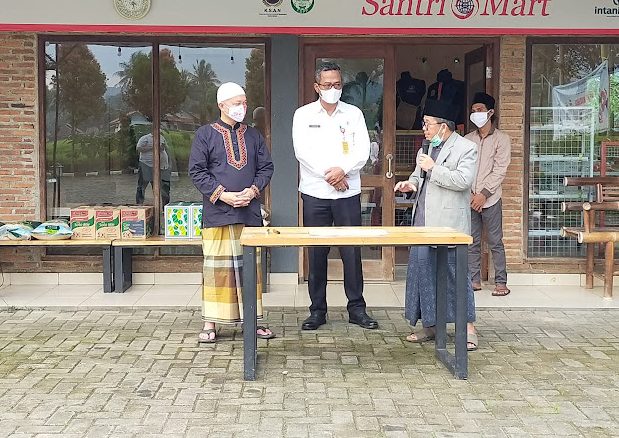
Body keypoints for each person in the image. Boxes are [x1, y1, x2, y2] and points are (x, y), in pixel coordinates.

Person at [292, 61, 377, 331]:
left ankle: (357, 309)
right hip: (315, 193)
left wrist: (343, 171)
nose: (333, 89)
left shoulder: (353, 114)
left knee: (351, 251)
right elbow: (302, 152)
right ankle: (317, 310)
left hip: (348, 194)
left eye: (337, 84)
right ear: (317, 86)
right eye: (327, 85)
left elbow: (362, 150)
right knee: (317, 253)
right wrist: (330, 176)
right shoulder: (303, 115)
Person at [189, 82, 275, 343]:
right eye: (237, 103)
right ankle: (210, 323)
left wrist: (252, 191)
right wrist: (222, 194)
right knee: (217, 270)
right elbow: (196, 171)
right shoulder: (205, 135)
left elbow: (266, 168)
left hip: (249, 213)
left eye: (244, 103)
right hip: (217, 214)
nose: (242, 107)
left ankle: (253, 321)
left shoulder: (253, 136)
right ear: (222, 105)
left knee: (250, 270)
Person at [394, 99, 479, 350]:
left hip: (449, 225)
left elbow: (463, 180)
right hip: (423, 221)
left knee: (455, 274)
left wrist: (433, 169)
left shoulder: (466, 148)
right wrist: (410, 184)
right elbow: (418, 176)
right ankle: (431, 325)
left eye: (428, 124)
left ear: (444, 126)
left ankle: (468, 328)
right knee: (424, 273)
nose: (424, 128)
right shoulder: (427, 147)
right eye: (424, 123)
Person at [465, 92, 512, 296]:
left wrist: (483, 194)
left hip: (491, 199)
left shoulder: (502, 139)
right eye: (473, 110)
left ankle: (501, 282)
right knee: (472, 241)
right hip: (470, 199)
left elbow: (500, 170)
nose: (476, 113)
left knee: (495, 242)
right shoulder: (467, 140)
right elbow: (463, 168)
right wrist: (470, 194)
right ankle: (473, 280)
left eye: (480, 110)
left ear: (490, 112)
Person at [135, 132, 171, 206]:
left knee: (164, 187)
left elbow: (165, 149)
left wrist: (169, 161)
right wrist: (154, 147)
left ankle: (165, 206)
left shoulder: (162, 138)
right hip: (146, 165)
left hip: (162, 166)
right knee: (142, 186)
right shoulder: (145, 138)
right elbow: (139, 148)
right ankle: (139, 205)